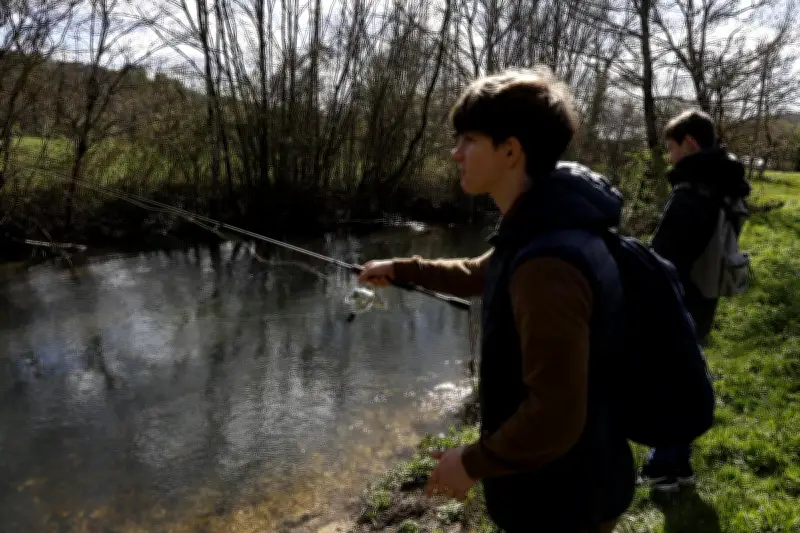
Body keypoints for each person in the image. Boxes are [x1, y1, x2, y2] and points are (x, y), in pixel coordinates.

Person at [358, 66, 634, 533]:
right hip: (572, 479)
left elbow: (555, 414)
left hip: (561, 499)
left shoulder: (547, 262)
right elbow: (480, 273)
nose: (455, 152)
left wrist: (470, 463)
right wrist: (402, 268)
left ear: (510, 150)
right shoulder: (541, 225)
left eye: (468, 139)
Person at [639, 109, 751, 492]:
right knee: (685, 376)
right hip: (706, 294)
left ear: (689, 143)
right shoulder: (726, 185)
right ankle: (678, 463)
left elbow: (663, 259)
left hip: (679, 298)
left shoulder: (691, 193)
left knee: (668, 384)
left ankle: (663, 466)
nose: (669, 157)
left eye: (671, 148)